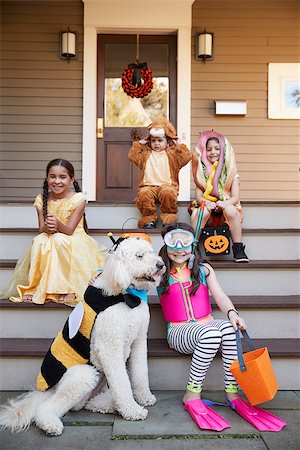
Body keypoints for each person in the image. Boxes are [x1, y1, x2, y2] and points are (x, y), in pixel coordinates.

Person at [157, 222, 286, 432]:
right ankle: (192, 393)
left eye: (185, 242)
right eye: (173, 243)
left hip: (206, 326)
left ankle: (232, 393)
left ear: (193, 245)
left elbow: (220, 296)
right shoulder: (159, 271)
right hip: (179, 331)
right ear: (165, 245)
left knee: (228, 328)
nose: (179, 248)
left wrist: (233, 314)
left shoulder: (204, 270)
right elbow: (130, 279)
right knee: (210, 333)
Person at [2, 159, 106, 306]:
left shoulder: (78, 199)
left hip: (73, 238)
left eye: (62, 177)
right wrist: (47, 227)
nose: (57, 181)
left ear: (71, 180)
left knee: (59, 240)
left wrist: (57, 224)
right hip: (50, 236)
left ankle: (64, 288)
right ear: (47, 178)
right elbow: (41, 228)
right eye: (52, 176)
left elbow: (69, 230)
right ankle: (36, 287)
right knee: (39, 240)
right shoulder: (41, 200)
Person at [191, 130, 249, 262]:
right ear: (204, 152)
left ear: (224, 151)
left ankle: (238, 249)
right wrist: (207, 203)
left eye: (217, 149)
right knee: (202, 211)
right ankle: (192, 248)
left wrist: (225, 203)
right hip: (209, 214)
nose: (213, 152)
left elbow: (235, 198)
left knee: (230, 209)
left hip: (225, 216)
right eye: (209, 149)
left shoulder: (232, 173)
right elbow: (199, 197)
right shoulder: (201, 174)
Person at [128, 119, 191, 229]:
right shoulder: (145, 155)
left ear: (167, 141)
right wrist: (139, 144)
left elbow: (186, 157)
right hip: (148, 186)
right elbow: (132, 156)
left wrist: (179, 145)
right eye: (153, 141)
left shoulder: (172, 155)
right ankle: (148, 219)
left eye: (160, 140)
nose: (156, 144)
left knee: (168, 193)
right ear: (149, 141)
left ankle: (169, 218)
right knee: (144, 194)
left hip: (167, 185)